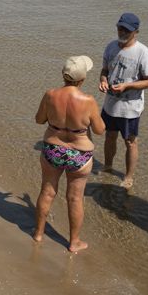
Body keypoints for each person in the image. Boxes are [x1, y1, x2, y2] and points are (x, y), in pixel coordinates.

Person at [33, 56, 106, 253]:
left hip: (52, 149)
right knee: (74, 198)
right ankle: (74, 242)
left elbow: (39, 119)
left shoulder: (50, 95)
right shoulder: (88, 100)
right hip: (79, 154)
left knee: (47, 192)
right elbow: (99, 130)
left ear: (63, 75)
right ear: (82, 79)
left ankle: (39, 233)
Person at [97, 13, 148, 190]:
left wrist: (127, 86)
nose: (122, 32)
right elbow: (105, 70)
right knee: (109, 136)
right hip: (110, 105)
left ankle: (129, 177)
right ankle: (108, 166)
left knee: (130, 142)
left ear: (136, 32)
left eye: (126, 30)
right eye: (120, 28)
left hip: (130, 108)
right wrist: (103, 80)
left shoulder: (143, 53)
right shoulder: (111, 47)